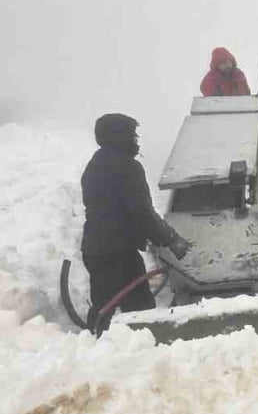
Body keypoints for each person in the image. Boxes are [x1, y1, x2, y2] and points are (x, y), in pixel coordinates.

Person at [81, 113, 189, 334]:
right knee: (140, 310)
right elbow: (142, 213)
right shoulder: (128, 168)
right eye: (132, 135)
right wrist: (172, 240)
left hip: (95, 249)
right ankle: (144, 350)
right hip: (118, 253)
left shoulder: (95, 164)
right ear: (118, 137)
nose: (136, 140)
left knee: (103, 305)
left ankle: (94, 345)